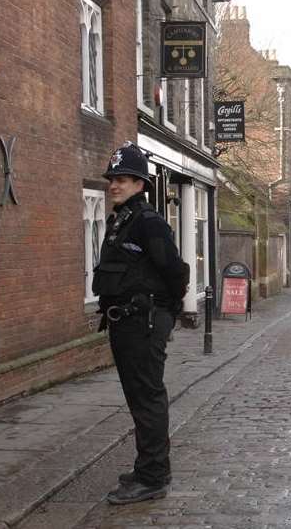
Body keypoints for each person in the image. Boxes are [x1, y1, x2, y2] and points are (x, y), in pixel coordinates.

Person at [92, 142, 189, 505]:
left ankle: (153, 477)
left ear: (141, 183)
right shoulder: (122, 220)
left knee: (148, 399)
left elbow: (175, 271)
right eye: (112, 179)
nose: (114, 185)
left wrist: (165, 312)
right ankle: (146, 467)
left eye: (124, 179)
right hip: (126, 323)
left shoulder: (148, 222)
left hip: (143, 321)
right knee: (138, 399)